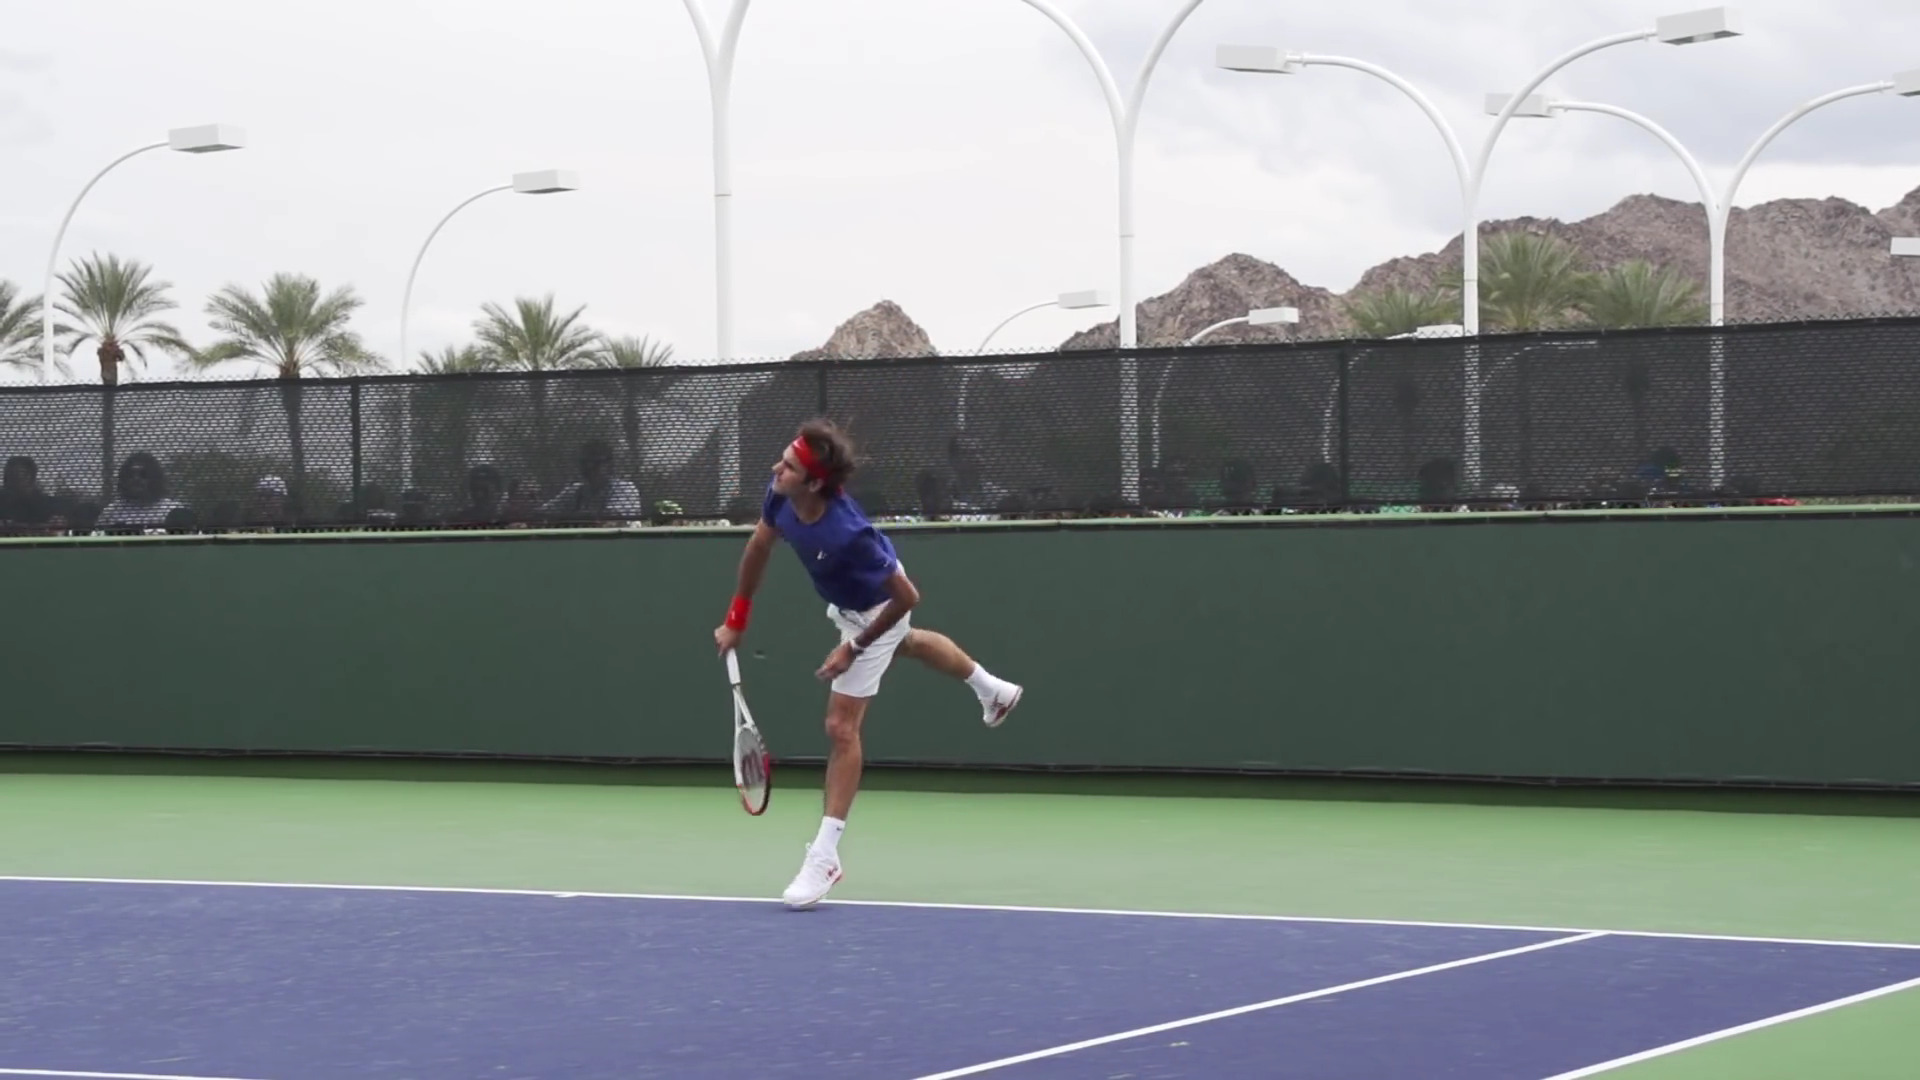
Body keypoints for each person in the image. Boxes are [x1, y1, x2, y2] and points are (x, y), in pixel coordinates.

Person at [713, 419, 1023, 910]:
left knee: (841, 727)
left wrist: (854, 647)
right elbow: (758, 547)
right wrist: (737, 619)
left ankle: (824, 856)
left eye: (788, 466)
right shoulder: (781, 495)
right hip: (850, 603)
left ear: (814, 482)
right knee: (910, 643)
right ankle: (992, 690)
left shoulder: (847, 533)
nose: (776, 469)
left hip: (879, 608)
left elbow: (906, 597)